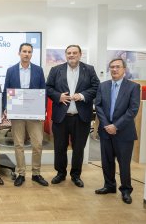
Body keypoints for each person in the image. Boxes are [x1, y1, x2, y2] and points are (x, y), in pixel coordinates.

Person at [46, 44, 99, 187]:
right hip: (61, 117)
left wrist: (82, 95)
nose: (71, 55)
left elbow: (96, 88)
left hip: (81, 117)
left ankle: (76, 175)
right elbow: (48, 88)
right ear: (65, 55)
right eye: (69, 53)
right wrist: (58, 96)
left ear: (80, 54)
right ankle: (60, 173)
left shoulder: (89, 70)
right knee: (59, 147)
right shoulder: (56, 70)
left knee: (78, 148)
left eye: (74, 53)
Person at [94, 58, 140, 204]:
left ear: (124, 69)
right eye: (112, 67)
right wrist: (107, 125)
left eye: (117, 67)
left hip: (124, 133)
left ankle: (126, 190)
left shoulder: (133, 87)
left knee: (124, 163)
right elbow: (98, 106)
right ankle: (109, 185)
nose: (114, 69)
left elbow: (132, 110)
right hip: (106, 131)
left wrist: (116, 126)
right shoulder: (103, 86)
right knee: (107, 161)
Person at [3, 43, 48, 187]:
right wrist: (6, 108)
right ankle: (21, 173)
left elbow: (43, 91)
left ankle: (36, 173)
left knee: (37, 144)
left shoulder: (38, 70)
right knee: (19, 145)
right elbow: (6, 91)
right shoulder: (11, 71)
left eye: (29, 52)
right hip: (17, 113)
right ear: (19, 53)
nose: (26, 54)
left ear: (31, 54)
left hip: (34, 113)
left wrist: (43, 110)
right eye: (24, 51)